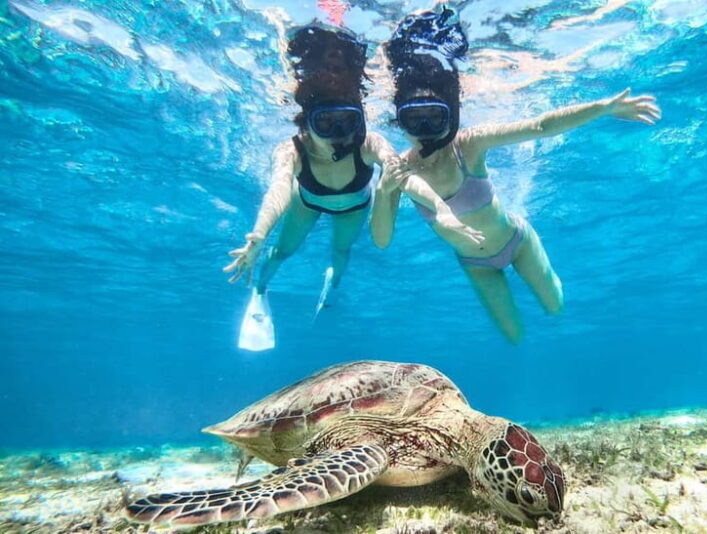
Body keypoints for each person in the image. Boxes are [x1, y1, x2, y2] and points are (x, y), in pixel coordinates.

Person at [371, 7, 661, 343]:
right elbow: (381, 240)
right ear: (399, 121)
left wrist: (603, 108)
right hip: (474, 264)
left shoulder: (468, 145)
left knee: (556, 306)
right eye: (413, 119)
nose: (424, 130)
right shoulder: (400, 171)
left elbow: (540, 126)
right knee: (514, 336)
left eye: (434, 118)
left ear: (450, 114)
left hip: (518, 242)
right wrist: (384, 190)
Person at [224, 22, 483, 349]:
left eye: (347, 121)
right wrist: (260, 234)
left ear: (359, 118)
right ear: (307, 124)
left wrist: (441, 209)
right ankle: (260, 290)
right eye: (326, 123)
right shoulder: (293, 149)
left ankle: (332, 285)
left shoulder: (369, 144)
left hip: (354, 207)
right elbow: (278, 189)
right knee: (284, 250)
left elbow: (401, 175)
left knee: (341, 251)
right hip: (307, 201)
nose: (339, 133)